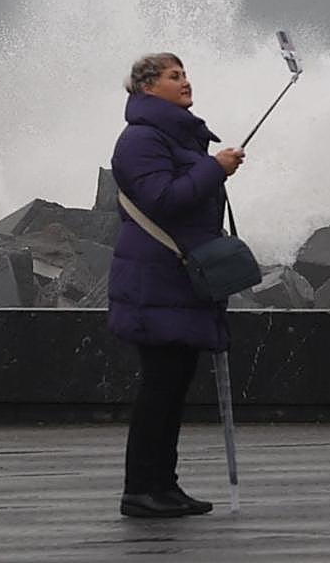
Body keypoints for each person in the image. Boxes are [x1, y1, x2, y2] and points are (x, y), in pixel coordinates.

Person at [108, 52, 245, 518]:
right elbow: (162, 200)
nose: (185, 82)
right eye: (173, 76)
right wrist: (215, 169)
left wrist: (212, 168)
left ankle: (163, 485)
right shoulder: (140, 140)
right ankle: (140, 489)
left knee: (174, 383)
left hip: (176, 279)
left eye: (184, 73)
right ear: (148, 88)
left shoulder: (173, 135)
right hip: (155, 278)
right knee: (161, 385)